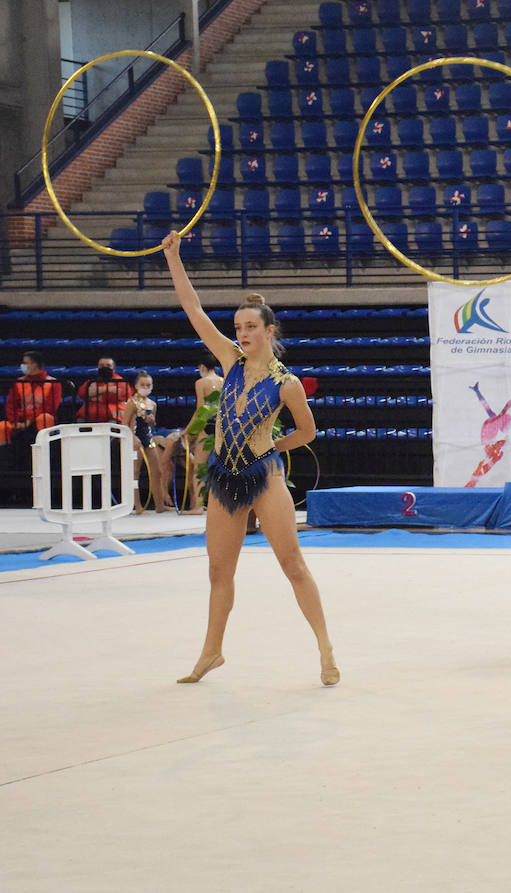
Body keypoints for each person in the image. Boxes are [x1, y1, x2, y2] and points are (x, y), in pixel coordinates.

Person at [161, 231, 338, 687]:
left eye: (250, 327)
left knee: (292, 564)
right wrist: (174, 258)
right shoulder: (229, 361)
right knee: (219, 570)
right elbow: (193, 310)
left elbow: (308, 431)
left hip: (264, 476)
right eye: (238, 327)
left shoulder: (287, 383)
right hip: (224, 476)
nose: (242, 333)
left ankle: (324, 647)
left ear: (268, 330)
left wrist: (276, 448)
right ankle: (212, 651)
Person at [121, 369, 177, 514]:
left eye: (148, 385)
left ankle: (159, 505)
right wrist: (133, 438)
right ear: (136, 385)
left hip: (148, 438)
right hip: (135, 438)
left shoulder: (152, 404)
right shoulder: (132, 403)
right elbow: (124, 423)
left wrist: (152, 421)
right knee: (135, 472)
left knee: (157, 471)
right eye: (143, 384)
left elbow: (152, 425)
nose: (145, 388)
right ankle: (137, 506)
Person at [176, 354, 224, 515]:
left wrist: (188, 430)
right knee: (221, 466)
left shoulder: (201, 382)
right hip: (220, 426)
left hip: (207, 425)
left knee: (199, 466)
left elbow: (200, 410)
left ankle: (197, 506)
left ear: (202, 367)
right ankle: (221, 503)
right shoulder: (223, 381)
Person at [0, 351, 61, 445]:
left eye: (25, 363)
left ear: (34, 364)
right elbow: (11, 405)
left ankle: (47, 451)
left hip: (38, 420)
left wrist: (30, 420)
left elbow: (50, 407)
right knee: (3, 426)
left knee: (45, 418)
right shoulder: (19, 382)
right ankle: (5, 457)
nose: (22, 366)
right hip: (20, 420)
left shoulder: (53, 383)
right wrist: (15, 421)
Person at [77, 357, 133, 422]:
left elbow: (114, 397)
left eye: (108, 365)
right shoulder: (92, 381)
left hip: (113, 417)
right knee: (80, 422)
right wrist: (107, 389)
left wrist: (94, 395)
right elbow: (82, 393)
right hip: (89, 416)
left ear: (114, 369)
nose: (105, 367)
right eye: (101, 365)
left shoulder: (121, 382)